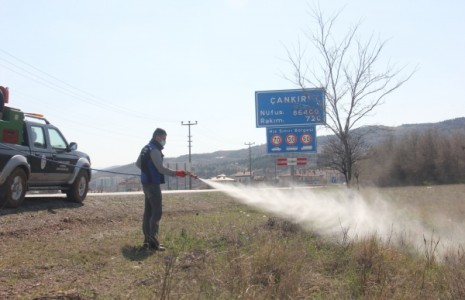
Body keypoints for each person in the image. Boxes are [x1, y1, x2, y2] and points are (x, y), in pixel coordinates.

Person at [136, 128, 190, 251]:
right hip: (153, 185)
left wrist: (147, 171)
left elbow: (138, 164)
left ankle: (147, 241)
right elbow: (161, 169)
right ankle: (153, 243)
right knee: (156, 213)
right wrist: (176, 173)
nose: (164, 141)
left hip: (146, 184)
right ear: (157, 137)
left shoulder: (146, 147)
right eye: (164, 139)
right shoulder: (154, 150)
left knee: (148, 213)